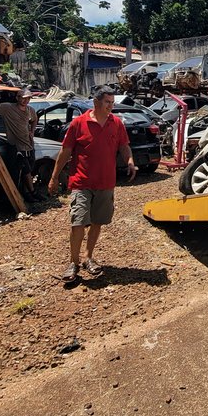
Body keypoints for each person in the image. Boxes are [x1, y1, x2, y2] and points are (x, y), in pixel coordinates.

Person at [48, 86, 136, 282]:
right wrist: (54, 177)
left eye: (112, 103)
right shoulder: (78, 124)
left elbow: (124, 146)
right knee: (78, 222)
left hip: (106, 182)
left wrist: (129, 160)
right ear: (96, 103)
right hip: (81, 181)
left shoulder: (117, 124)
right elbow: (65, 152)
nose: (110, 107)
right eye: (107, 102)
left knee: (97, 222)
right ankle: (73, 262)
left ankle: (88, 258)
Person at [0, 88, 41, 201]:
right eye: (23, 98)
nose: (26, 100)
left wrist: (32, 131)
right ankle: (31, 192)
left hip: (28, 145)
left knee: (28, 170)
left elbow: (35, 120)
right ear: (17, 98)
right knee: (24, 170)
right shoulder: (8, 108)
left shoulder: (30, 110)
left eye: (28, 98)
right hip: (16, 146)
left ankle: (27, 193)